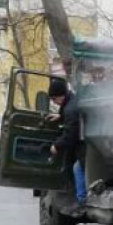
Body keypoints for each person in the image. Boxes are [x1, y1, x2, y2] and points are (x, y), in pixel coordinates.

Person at [48, 78, 86, 216]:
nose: (53, 102)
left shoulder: (70, 109)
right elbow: (70, 115)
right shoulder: (72, 101)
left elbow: (70, 135)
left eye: (53, 98)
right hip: (85, 142)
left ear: (60, 96)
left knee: (77, 168)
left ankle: (82, 202)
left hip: (84, 146)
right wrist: (60, 116)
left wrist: (56, 145)